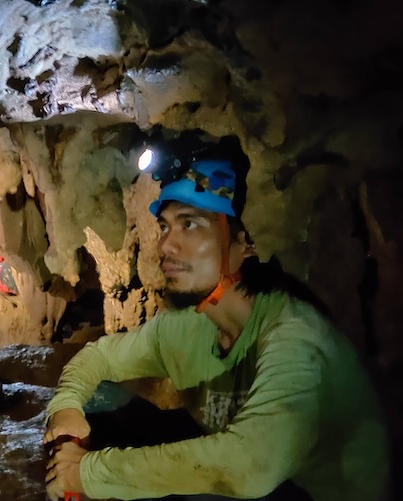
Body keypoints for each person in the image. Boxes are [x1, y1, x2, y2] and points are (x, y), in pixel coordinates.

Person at [43, 145, 389, 501]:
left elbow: (252, 466)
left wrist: (90, 473)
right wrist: (66, 409)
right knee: (99, 410)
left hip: (302, 490)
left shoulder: (295, 335)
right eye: (164, 226)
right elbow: (99, 356)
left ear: (246, 242)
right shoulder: (187, 326)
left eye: (190, 224)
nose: (166, 245)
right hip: (248, 471)